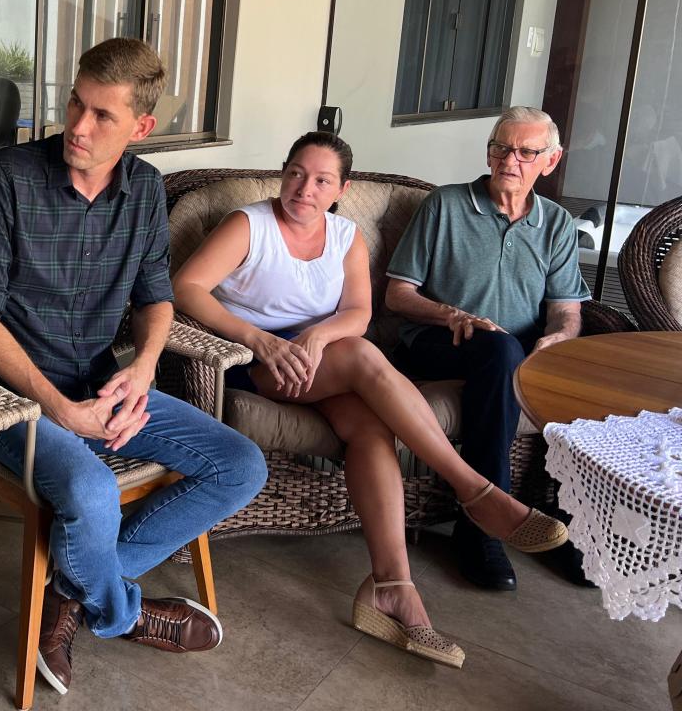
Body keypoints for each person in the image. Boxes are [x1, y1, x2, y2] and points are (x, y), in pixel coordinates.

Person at [173, 131, 569, 668]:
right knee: (362, 356)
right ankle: (475, 489)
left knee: (370, 431)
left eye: (322, 181)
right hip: (257, 362)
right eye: (296, 174)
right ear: (283, 173)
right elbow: (187, 287)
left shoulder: (345, 236)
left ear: (342, 189)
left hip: (320, 360)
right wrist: (258, 339)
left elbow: (358, 311)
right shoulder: (249, 224)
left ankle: (392, 587)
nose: (305, 189)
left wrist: (318, 335)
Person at [0, 37, 267, 695]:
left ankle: (73, 589)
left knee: (241, 465)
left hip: (101, 383)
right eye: (75, 103)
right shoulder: (8, 176)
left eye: (102, 115)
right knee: (92, 490)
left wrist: (145, 367)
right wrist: (61, 412)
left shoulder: (145, 190)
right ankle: (123, 613)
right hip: (8, 399)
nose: (78, 125)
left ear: (140, 128)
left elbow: (156, 298)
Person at [386, 106, 591, 591]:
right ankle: (480, 525)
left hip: (515, 351)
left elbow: (566, 311)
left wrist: (560, 338)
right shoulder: (445, 205)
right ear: (489, 152)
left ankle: (574, 528)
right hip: (439, 340)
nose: (509, 160)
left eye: (525, 152)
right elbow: (398, 294)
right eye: (501, 148)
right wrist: (451, 314)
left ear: (551, 161)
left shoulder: (557, 223)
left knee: (583, 371)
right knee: (500, 352)